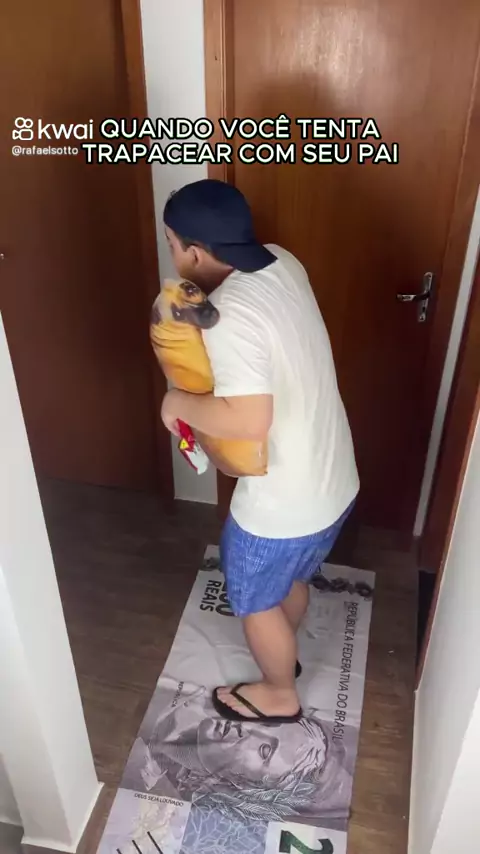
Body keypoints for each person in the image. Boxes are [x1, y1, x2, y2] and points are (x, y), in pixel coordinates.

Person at [160, 179, 359, 724]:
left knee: (253, 598)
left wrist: (176, 401)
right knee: (290, 579)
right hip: (334, 480)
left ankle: (279, 691)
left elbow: (248, 421)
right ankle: (282, 646)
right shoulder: (282, 262)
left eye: (172, 244)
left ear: (194, 252)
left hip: (282, 504)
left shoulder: (231, 313)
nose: (173, 255)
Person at [121, 685, 356, 828]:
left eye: (265, 750)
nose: (248, 727)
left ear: (246, 786)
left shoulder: (149, 783)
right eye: (267, 723)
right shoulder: (195, 701)